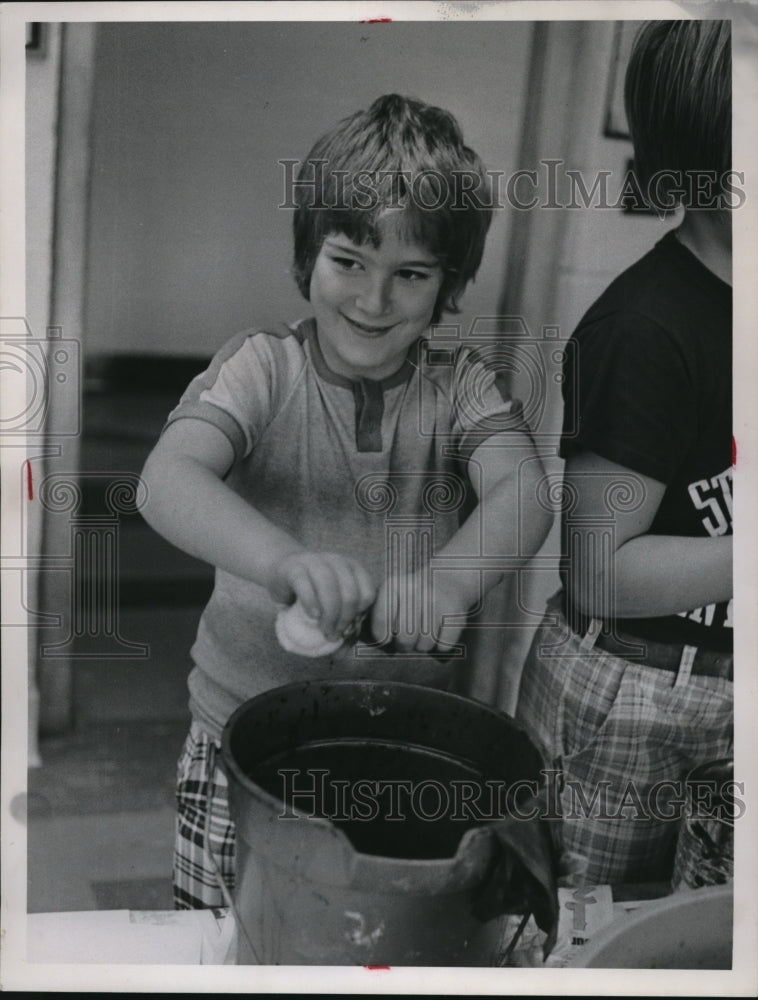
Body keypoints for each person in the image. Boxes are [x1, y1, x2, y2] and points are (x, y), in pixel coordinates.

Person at [140, 94, 551, 908]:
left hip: (401, 748)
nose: (373, 300)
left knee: (371, 935)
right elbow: (167, 481)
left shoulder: (463, 387)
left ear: (450, 284)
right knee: (222, 937)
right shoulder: (262, 367)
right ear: (307, 258)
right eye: (348, 262)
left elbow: (524, 491)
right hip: (237, 742)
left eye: (411, 275)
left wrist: (449, 582)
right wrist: (283, 561)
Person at [516, 21, 733, 886]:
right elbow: (603, 573)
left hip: (726, 683)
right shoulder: (644, 327)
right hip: (635, 697)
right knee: (585, 941)